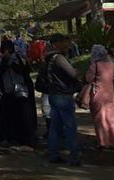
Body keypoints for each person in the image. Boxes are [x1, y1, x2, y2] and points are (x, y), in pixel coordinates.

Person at [45, 33, 82, 166]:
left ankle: (53, 153)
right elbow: (72, 73)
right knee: (70, 126)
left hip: (53, 94)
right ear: (56, 44)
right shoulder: (59, 58)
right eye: (64, 42)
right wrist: (78, 73)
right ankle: (74, 156)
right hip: (63, 95)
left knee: (55, 126)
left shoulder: (49, 58)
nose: (67, 44)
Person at [86, 45, 114, 149]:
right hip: (110, 94)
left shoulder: (95, 65)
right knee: (113, 118)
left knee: (101, 118)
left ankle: (103, 141)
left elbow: (88, 78)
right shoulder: (111, 64)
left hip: (98, 93)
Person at [0, 39, 36, 148]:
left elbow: (24, 71)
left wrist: (12, 62)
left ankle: (26, 138)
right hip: (8, 90)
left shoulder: (19, 57)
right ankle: (12, 137)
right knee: (10, 115)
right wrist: (5, 61)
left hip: (20, 89)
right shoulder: (1, 60)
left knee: (24, 115)